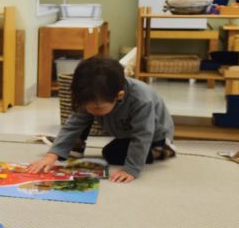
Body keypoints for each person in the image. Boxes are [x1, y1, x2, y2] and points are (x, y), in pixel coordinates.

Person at [27, 56, 175, 183]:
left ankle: (160, 151)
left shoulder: (141, 100)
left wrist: (131, 169)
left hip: (155, 135)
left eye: (98, 108)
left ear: (119, 95)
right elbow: (74, 124)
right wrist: (51, 156)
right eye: (88, 105)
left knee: (111, 154)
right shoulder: (94, 96)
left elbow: (143, 135)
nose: (92, 110)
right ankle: (75, 147)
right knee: (82, 115)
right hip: (126, 131)